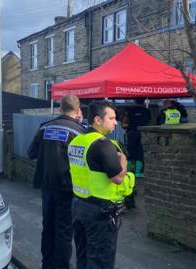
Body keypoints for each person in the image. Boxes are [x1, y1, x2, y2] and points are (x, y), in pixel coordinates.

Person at [68, 101, 135, 269]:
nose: (115, 122)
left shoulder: (77, 141)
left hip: (78, 206)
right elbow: (118, 178)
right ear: (98, 120)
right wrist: (123, 160)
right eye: (111, 118)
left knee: (83, 255)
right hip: (100, 212)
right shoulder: (103, 144)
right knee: (100, 261)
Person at [27, 94, 86, 269]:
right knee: (64, 230)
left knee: (48, 226)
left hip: (46, 186)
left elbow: (31, 153)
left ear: (60, 108)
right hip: (68, 188)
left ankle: (47, 264)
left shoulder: (44, 128)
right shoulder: (79, 132)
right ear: (78, 110)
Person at [123, 98, 151, 177]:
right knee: (140, 153)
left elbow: (125, 122)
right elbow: (149, 121)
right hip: (143, 133)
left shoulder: (130, 111)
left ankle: (128, 172)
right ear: (143, 102)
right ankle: (138, 172)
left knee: (130, 152)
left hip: (131, 133)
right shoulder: (146, 111)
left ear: (135, 101)